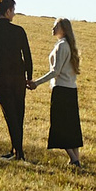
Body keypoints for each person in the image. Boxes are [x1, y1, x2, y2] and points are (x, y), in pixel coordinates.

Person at [0, 0, 33, 160]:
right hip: (18, 77)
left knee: (9, 114)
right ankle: (17, 151)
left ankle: (17, 151)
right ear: (8, 11)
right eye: (13, 11)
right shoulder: (18, 31)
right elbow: (27, 56)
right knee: (18, 114)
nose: (14, 14)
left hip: (1, 78)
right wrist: (29, 77)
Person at [31, 17, 84, 169]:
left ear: (64, 30)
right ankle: (75, 158)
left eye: (56, 27)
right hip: (71, 90)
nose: (53, 29)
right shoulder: (68, 45)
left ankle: (74, 159)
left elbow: (55, 71)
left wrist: (36, 83)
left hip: (61, 89)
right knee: (71, 126)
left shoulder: (62, 46)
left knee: (60, 125)